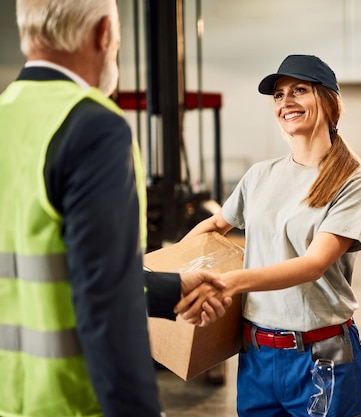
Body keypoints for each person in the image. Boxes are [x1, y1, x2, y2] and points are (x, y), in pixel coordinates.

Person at [0, 1, 229, 416]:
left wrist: (173, 287)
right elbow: (107, 303)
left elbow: (48, 266)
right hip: (67, 402)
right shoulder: (92, 126)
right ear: (104, 33)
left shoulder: (7, 116)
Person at [177, 54, 361, 417]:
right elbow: (213, 225)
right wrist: (175, 268)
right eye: (278, 95)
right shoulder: (260, 175)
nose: (285, 101)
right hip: (257, 355)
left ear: (328, 101)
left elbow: (313, 265)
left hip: (321, 359)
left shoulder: (353, 180)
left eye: (299, 90)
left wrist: (228, 282)